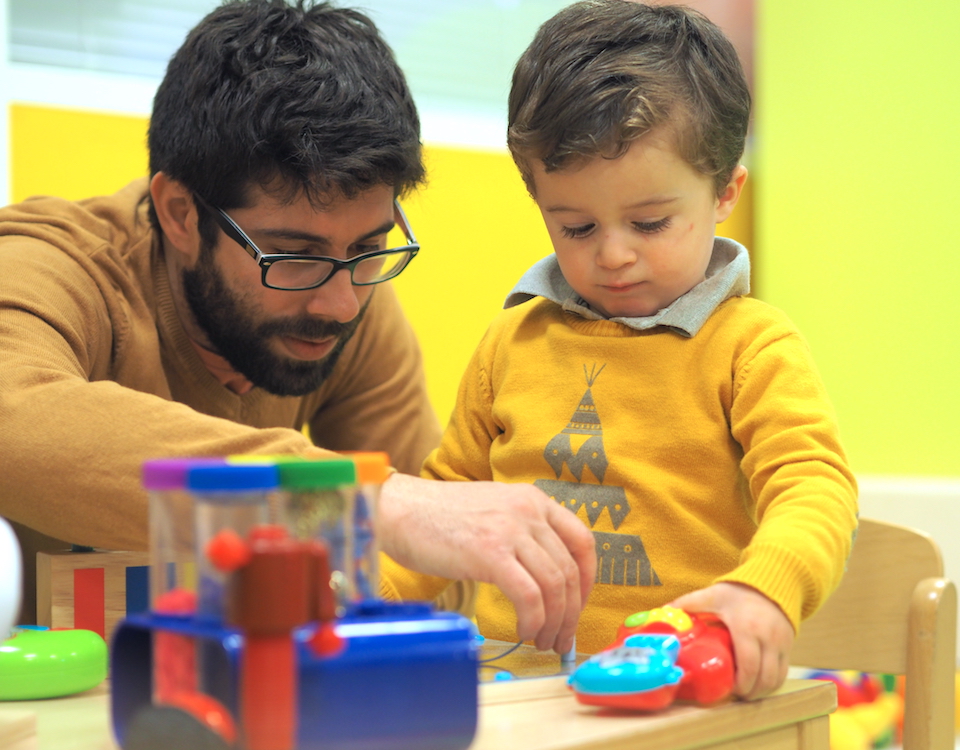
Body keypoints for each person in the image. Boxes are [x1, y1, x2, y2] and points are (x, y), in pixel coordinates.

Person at [0, 0, 594, 653]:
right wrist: (360, 502)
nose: (340, 303)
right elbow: (13, 418)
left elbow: (429, 556)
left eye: (368, 247)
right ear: (178, 213)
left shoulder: (350, 303)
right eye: (295, 255)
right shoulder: (52, 261)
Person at [381, 0, 858, 699]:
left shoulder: (751, 347)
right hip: (514, 696)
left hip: (683, 698)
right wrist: (357, 596)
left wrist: (765, 591)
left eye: (650, 222)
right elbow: (448, 505)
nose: (613, 255)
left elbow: (814, 487)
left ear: (725, 190)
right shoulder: (510, 343)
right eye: (575, 227)